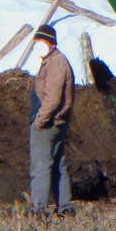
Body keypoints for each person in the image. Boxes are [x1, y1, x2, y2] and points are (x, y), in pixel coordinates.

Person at [29, 23, 74, 216]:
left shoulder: (55, 63)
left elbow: (53, 97)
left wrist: (40, 120)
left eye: (41, 41)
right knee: (58, 165)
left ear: (51, 44)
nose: (37, 44)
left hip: (48, 123)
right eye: (36, 41)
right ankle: (65, 208)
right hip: (58, 122)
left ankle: (39, 210)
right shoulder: (54, 61)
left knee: (40, 167)